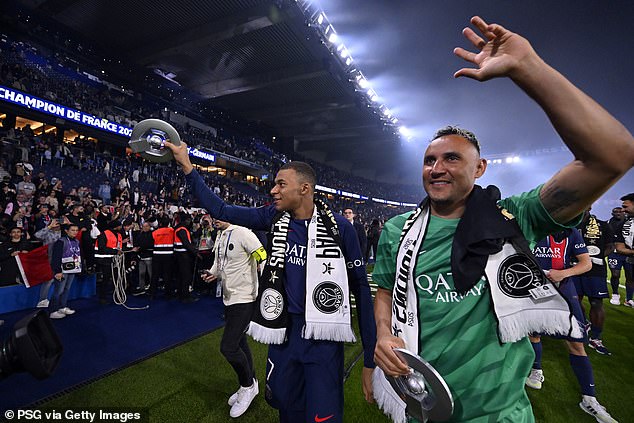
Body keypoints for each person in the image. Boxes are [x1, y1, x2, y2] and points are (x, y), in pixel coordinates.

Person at [371, 16, 633, 423]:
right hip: (421, 405)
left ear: (480, 169)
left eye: (452, 158)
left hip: (498, 415)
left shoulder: (515, 217)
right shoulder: (396, 229)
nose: (436, 168)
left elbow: (612, 155)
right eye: (428, 160)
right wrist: (384, 333)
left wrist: (529, 68)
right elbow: (385, 289)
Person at [165, 144, 376, 423]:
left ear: (304, 189)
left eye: (280, 184)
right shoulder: (272, 218)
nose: (273, 190)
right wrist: (188, 167)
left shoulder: (340, 228)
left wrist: (370, 359)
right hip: (283, 334)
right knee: (286, 409)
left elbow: (361, 289)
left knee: (323, 418)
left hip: (323, 340)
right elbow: (220, 208)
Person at [527, 229, 615, 423]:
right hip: (534, 287)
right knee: (534, 332)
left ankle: (589, 398)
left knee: (575, 341)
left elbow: (586, 263)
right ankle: (537, 370)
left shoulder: (571, 232)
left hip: (564, 288)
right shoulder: (531, 225)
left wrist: (562, 273)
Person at [201, 218, 267, 417]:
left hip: (245, 298)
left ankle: (247, 386)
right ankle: (250, 382)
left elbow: (262, 256)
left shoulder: (243, 233)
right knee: (239, 342)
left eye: (218, 216)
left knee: (228, 347)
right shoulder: (220, 234)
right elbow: (220, 263)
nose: (214, 220)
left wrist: (266, 286)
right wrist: (213, 274)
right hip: (229, 297)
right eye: (213, 217)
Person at [573, 209, 614, 355]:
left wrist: (599, 257)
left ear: (590, 206)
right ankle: (584, 323)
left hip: (595, 271)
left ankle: (596, 338)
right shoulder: (569, 224)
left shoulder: (602, 225)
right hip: (573, 268)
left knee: (596, 303)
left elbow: (610, 246)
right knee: (574, 301)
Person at [49, 223, 82, 319]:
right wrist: (57, 271)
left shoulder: (76, 241)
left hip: (72, 269)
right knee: (58, 291)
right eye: (72, 230)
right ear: (66, 231)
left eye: (76, 230)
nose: (75, 232)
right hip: (62, 270)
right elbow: (56, 257)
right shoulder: (61, 241)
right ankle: (53, 310)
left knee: (66, 289)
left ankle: (62, 307)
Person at [614, 193, 634, 307]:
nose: (623, 210)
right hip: (630, 259)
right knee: (630, 278)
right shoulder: (623, 224)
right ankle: (628, 299)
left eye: (625, 207)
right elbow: (620, 248)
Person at [607, 207, 627, 305]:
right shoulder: (608, 224)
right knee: (615, 274)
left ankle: (629, 299)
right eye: (615, 212)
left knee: (630, 276)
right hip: (614, 252)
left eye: (620, 212)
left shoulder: (629, 223)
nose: (618, 213)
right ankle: (615, 294)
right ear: (612, 213)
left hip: (628, 252)